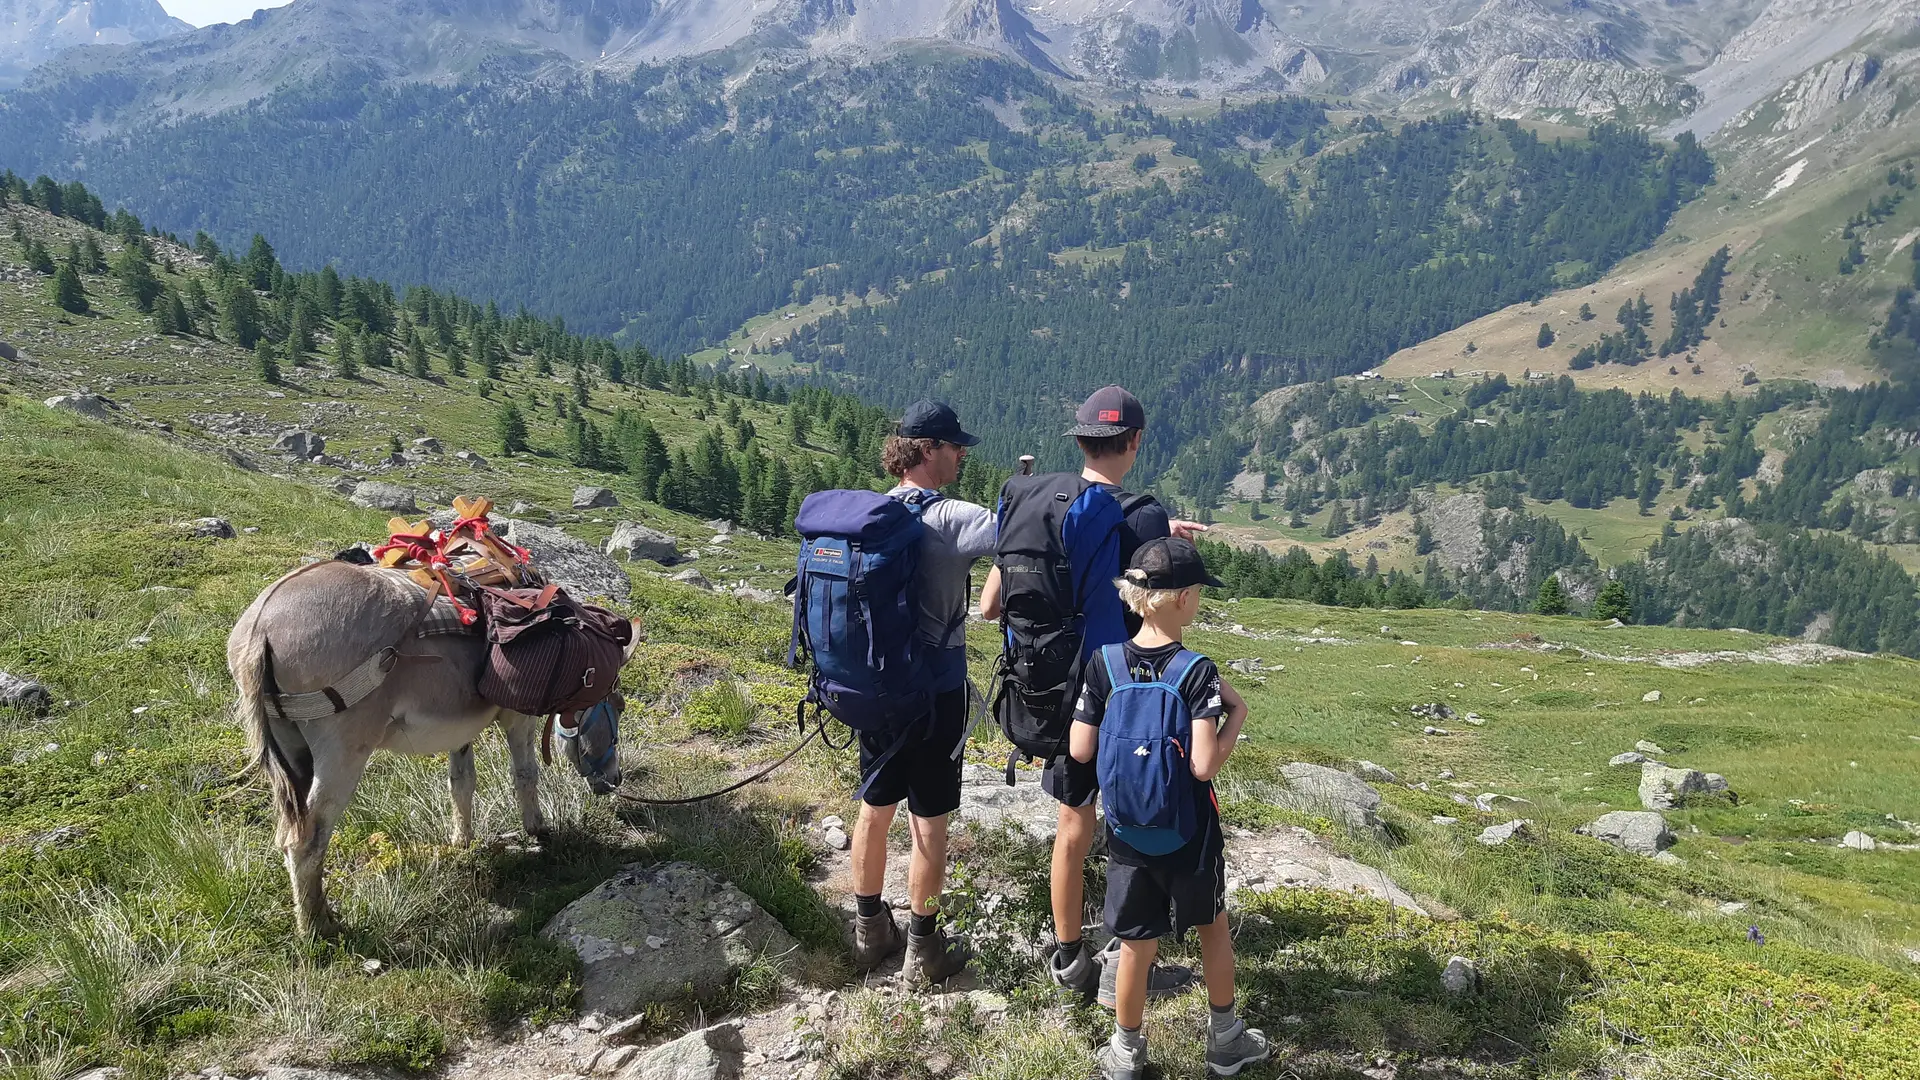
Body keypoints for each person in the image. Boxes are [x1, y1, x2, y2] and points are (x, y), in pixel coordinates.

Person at [980, 385, 1206, 998]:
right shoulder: (1142, 516)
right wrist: (1170, 549)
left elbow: (989, 605)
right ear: (1134, 442)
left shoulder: (1032, 502)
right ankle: (1127, 966)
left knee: (1072, 824)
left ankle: (1069, 958)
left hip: (1047, 693)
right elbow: (1150, 614)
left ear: (1079, 440)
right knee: (1135, 823)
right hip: (1118, 698)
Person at [1070, 537, 1269, 1080]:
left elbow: (1080, 749)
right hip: (1191, 831)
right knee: (1212, 927)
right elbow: (1203, 766)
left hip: (1127, 829)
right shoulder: (1196, 671)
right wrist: (1237, 718)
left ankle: (1126, 1054)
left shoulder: (1104, 664)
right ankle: (1225, 1041)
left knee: (1134, 944)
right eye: (1199, 591)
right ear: (1180, 598)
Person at [849, 399, 996, 983]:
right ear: (928, 450)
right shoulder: (954, 517)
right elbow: (1032, 534)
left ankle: (868, 931)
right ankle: (923, 948)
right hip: (936, 690)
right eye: (955, 445)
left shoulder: (870, 515)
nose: (961, 454)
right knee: (930, 822)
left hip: (875, 686)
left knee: (874, 808)